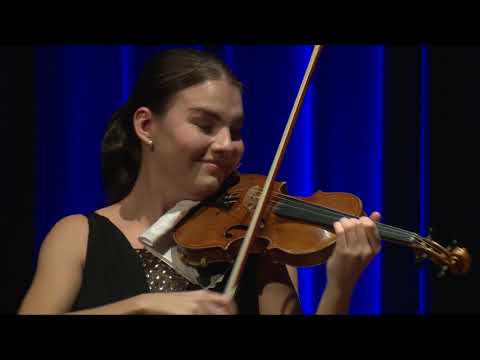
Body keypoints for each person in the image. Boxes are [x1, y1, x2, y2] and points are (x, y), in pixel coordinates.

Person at [18, 48, 381, 315]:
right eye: (205, 125)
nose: (227, 145)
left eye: (235, 130)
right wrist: (139, 307)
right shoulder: (78, 237)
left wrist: (339, 286)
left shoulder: (260, 247)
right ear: (146, 126)